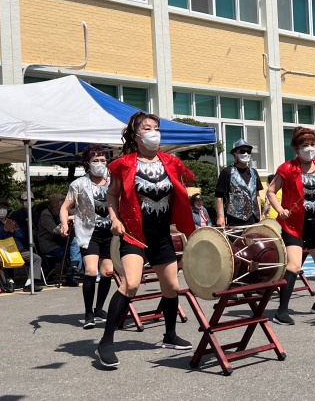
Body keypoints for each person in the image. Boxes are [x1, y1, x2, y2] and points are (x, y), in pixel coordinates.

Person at [97, 111, 197, 368]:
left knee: (172, 287)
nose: (154, 132)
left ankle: (170, 335)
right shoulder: (124, 164)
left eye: (156, 127)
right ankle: (106, 342)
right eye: (147, 128)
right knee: (131, 283)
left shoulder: (170, 162)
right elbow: (112, 195)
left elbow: (184, 186)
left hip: (162, 234)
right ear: (135, 135)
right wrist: (115, 219)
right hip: (134, 234)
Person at [267, 126, 315, 325]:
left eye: (312, 144)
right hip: (293, 224)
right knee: (294, 265)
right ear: (296, 148)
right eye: (304, 145)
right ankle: (281, 312)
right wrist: (279, 209)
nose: (309, 148)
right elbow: (271, 191)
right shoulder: (287, 169)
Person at [61, 145, 115, 329]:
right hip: (89, 232)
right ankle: (88, 314)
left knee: (108, 272)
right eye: (95, 160)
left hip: (110, 232)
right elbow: (64, 207)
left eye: (103, 160)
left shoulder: (113, 180)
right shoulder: (78, 184)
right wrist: (63, 223)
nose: (100, 163)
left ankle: (99, 309)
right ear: (87, 163)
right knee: (91, 271)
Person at [0, 198, 44, 292]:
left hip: (18, 250)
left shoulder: (13, 222)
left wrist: (13, 231)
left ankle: (30, 283)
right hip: (2, 251)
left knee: (36, 258)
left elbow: (21, 236)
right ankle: (9, 282)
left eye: (4, 207)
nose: (2, 210)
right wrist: (4, 230)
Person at [215, 139, 264, 227]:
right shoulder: (227, 172)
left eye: (248, 151)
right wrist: (220, 216)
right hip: (236, 219)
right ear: (235, 154)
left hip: (254, 218)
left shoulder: (254, 172)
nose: (246, 154)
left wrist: (260, 214)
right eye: (242, 151)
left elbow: (257, 195)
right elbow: (219, 196)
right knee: (237, 241)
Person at [38, 194, 81, 287]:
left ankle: (73, 274)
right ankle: (72, 275)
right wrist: (65, 222)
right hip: (50, 244)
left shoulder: (64, 212)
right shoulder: (46, 214)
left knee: (77, 244)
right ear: (59, 205)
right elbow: (54, 230)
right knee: (74, 251)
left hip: (62, 241)